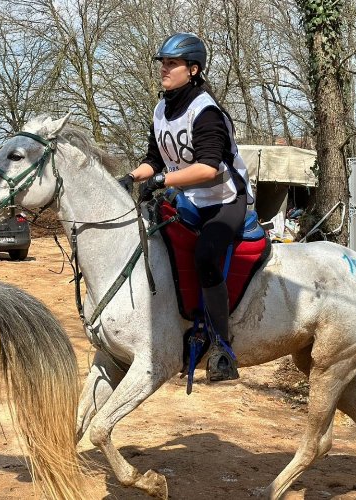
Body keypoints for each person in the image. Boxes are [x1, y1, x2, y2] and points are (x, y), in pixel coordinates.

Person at [117, 33, 254, 382]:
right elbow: (154, 160)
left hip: (225, 200)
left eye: (172, 63)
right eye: (162, 62)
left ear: (193, 70)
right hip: (190, 199)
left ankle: (223, 348)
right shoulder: (161, 108)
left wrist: (163, 182)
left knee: (207, 254)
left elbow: (208, 168)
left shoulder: (205, 110)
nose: (164, 68)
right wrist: (131, 177)